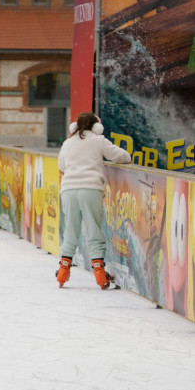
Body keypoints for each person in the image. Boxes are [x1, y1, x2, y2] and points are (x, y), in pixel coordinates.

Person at [56, 111, 132, 288]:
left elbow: (61, 165)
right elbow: (123, 157)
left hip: (68, 190)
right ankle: (99, 274)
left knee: (70, 230)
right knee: (93, 230)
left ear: (74, 127)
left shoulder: (67, 143)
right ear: (96, 127)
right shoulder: (99, 140)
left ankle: (63, 272)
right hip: (91, 189)